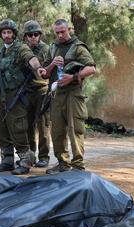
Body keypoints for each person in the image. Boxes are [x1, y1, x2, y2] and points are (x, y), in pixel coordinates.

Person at [39, 19, 96, 174]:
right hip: (56, 94)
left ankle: (78, 165)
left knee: (74, 128)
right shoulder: (52, 47)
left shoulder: (78, 47)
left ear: (68, 29)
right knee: (57, 131)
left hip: (73, 93)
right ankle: (62, 163)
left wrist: (73, 77)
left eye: (63, 31)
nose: (60, 35)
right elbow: (44, 73)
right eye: (57, 32)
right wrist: (52, 64)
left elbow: (91, 68)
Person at [0, 19, 44, 175]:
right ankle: (7, 160)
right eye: (4, 32)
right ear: (1, 35)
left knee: (18, 127)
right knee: (0, 127)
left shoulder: (21, 48)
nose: (7, 35)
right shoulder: (1, 52)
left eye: (9, 32)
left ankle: (26, 160)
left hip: (16, 95)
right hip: (0, 94)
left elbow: (31, 58)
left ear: (14, 34)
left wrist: (39, 67)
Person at [23, 20, 52, 168]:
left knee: (43, 125)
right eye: (30, 35)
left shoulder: (47, 49)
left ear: (39, 35)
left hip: (42, 90)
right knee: (27, 125)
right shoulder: (22, 50)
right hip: (26, 92)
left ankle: (44, 156)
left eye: (36, 34)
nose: (33, 37)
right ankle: (30, 155)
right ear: (26, 36)